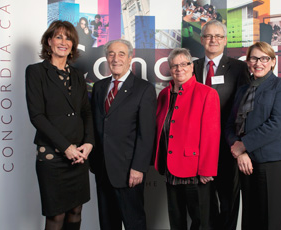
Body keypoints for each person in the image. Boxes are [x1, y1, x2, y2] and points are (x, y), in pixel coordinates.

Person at [25, 20, 94, 230]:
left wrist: (89, 143)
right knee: (56, 216)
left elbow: (86, 113)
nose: (64, 42)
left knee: (76, 212)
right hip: (53, 157)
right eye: (59, 36)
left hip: (79, 156)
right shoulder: (36, 72)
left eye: (68, 38)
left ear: (73, 44)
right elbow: (37, 116)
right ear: (49, 41)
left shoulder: (77, 76)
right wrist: (66, 147)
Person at [225, 41, 281, 230]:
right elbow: (231, 124)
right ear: (248, 62)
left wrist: (244, 145)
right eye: (254, 58)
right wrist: (240, 152)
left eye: (264, 58)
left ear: (272, 62)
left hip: (272, 163)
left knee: (271, 222)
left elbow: (277, 125)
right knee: (250, 220)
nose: (258, 63)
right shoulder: (242, 90)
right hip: (246, 164)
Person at [90, 39, 156, 230]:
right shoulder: (99, 87)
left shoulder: (144, 89)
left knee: (133, 222)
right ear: (106, 57)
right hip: (102, 169)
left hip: (128, 171)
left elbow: (147, 133)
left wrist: (138, 168)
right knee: (107, 224)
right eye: (111, 54)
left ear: (130, 58)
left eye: (121, 54)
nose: (115, 58)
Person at [154, 48, 220, 230]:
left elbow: (211, 135)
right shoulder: (164, 95)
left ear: (192, 67)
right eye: (175, 65)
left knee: (201, 222)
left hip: (195, 171)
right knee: (176, 221)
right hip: (170, 168)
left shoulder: (207, 93)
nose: (179, 69)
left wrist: (207, 169)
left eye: (184, 64)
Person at [193, 19, 249, 230]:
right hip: (198, 148)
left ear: (225, 40)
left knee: (228, 203)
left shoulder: (239, 68)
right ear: (202, 39)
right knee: (203, 205)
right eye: (208, 36)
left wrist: (239, 144)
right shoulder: (193, 67)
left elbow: (243, 109)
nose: (213, 40)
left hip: (227, 146)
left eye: (218, 36)